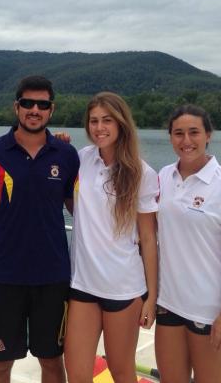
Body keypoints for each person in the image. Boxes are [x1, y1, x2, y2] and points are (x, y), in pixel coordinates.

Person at [0, 75, 80, 383]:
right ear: (16, 107)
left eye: (42, 104)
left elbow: (79, 209)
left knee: (53, 362)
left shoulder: (67, 154)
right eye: (28, 103)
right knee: (0, 363)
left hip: (53, 277)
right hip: (5, 278)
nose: (35, 110)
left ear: (51, 109)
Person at [155, 104, 221, 383]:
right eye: (178, 133)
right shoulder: (163, 177)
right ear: (170, 137)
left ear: (208, 135)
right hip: (169, 304)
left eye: (194, 132)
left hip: (211, 311)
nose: (186, 141)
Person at [64, 92, 159, 383]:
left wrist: (151, 297)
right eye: (93, 121)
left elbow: (147, 237)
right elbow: (72, 203)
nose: (99, 127)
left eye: (107, 120)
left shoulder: (141, 172)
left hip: (123, 288)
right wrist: (55, 144)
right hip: (83, 285)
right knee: (77, 372)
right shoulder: (79, 160)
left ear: (121, 124)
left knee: (121, 371)